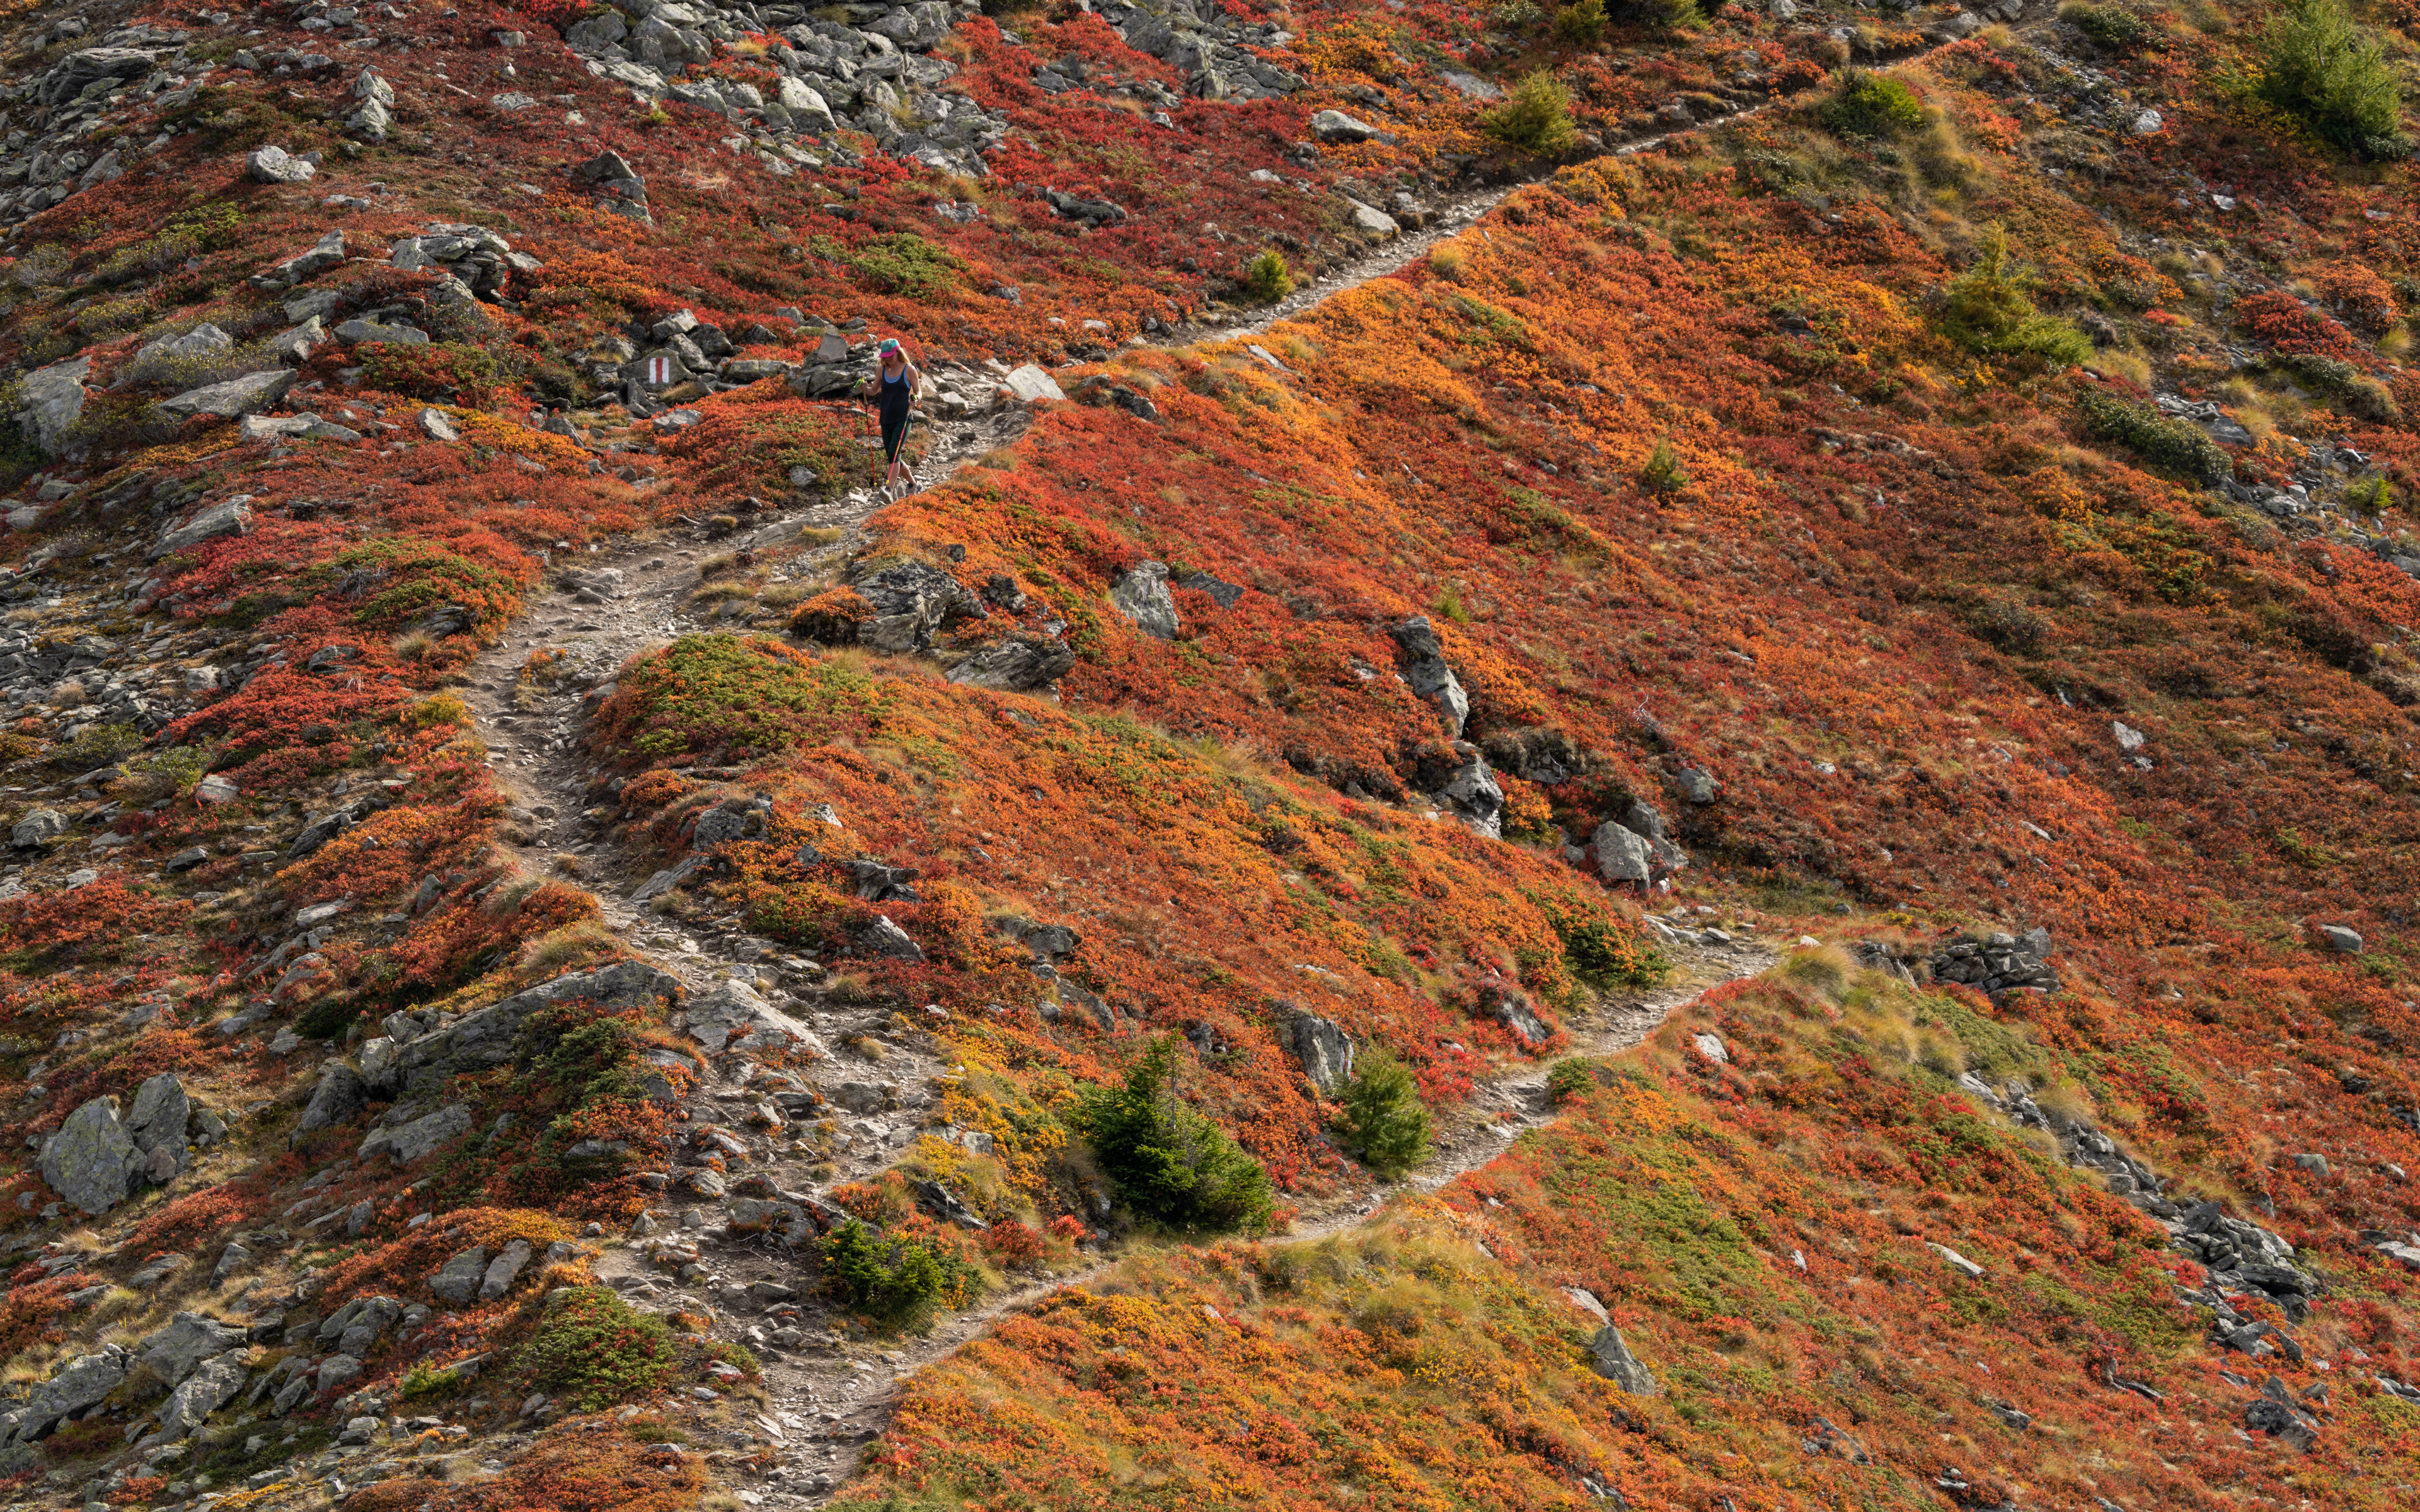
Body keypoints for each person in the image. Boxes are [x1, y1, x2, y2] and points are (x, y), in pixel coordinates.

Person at [861, 337, 921, 494]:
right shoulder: (881, 370)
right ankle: (914, 484)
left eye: (891, 357)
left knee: (893, 454)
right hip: (886, 417)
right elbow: (873, 391)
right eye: (885, 357)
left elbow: (918, 391)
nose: (888, 360)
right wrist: (864, 388)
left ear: (898, 353)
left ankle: (889, 489)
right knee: (894, 455)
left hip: (904, 417)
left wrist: (916, 398)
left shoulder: (909, 370)